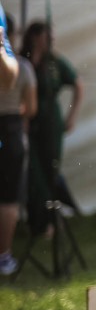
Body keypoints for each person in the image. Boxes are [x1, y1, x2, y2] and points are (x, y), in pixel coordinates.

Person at [21, 21, 82, 237]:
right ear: (36, 38)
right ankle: (39, 220)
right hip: (30, 124)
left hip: (50, 126)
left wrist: (71, 116)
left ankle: (50, 222)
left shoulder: (54, 63)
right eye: (47, 37)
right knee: (33, 172)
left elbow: (77, 85)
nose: (50, 42)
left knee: (50, 171)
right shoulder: (24, 60)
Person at [0, 16, 35, 275]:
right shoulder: (23, 67)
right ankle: (4, 255)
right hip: (11, 129)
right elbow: (30, 109)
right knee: (9, 197)